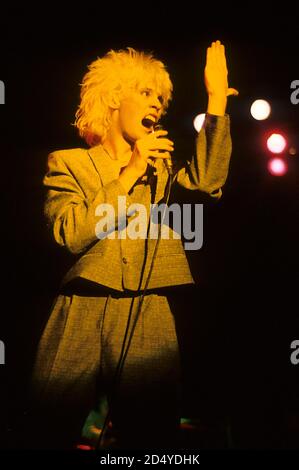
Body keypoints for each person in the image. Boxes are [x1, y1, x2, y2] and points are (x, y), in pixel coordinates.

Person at [29, 40, 238, 449]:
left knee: (150, 435)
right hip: (82, 304)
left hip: (150, 308)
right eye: (145, 93)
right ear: (112, 99)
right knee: (48, 425)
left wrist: (215, 102)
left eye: (161, 98)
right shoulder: (68, 163)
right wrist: (128, 174)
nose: (157, 104)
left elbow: (208, 182)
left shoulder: (164, 172)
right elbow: (69, 232)